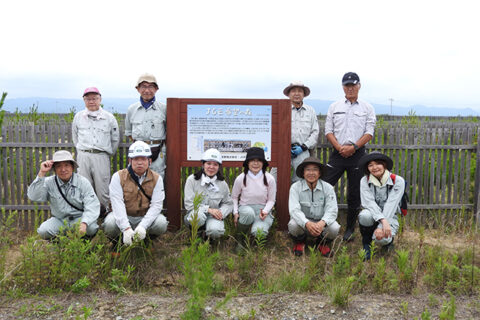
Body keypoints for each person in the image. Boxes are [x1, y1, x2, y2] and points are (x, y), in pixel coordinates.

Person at [323, 72, 376, 242]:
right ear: (343, 87)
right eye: (347, 85)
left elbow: (369, 132)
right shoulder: (334, 106)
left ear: (359, 86)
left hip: (357, 154)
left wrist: (353, 147)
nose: (350, 88)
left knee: (355, 193)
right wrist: (339, 147)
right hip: (338, 153)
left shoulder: (367, 108)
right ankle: (322, 223)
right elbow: (328, 131)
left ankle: (350, 229)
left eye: (353, 85)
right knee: (324, 186)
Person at [103, 141, 168, 249]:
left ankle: (147, 241)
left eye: (143, 159)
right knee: (109, 223)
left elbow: (156, 205)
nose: (139, 163)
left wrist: (143, 226)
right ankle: (117, 244)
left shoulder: (157, 178)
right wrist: (126, 228)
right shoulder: (118, 177)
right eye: (136, 159)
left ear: (149, 161)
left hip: (144, 217)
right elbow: (117, 203)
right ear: (130, 161)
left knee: (161, 223)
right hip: (124, 216)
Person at [27, 150, 100, 240]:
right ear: (54, 169)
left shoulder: (83, 182)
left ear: (72, 167)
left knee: (91, 227)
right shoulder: (49, 182)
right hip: (59, 220)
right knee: (43, 231)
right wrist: (42, 173)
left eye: (66, 165)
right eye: (59, 166)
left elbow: (92, 205)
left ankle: (84, 245)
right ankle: (60, 246)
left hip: (79, 219)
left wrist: (84, 222)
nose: (63, 169)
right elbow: (33, 196)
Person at [72, 87, 119, 216]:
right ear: (84, 100)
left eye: (94, 98)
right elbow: (75, 137)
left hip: (101, 156)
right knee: (83, 187)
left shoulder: (109, 118)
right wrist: (82, 150)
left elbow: (115, 139)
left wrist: (106, 153)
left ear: (100, 99)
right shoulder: (78, 117)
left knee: (102, 189)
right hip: (83, 156)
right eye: (88, 99)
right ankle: (87, 217)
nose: (91, 101)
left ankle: (104, 218)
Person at [288, 157, 341, 257]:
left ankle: (322, 244)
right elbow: (294, 210)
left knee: (334, 228)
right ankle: (300, 242)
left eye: (315, 169)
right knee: (293, 225)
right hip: (304, 224)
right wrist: (306, 223)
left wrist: (322, 223)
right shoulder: (295, 187)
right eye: (308, 169)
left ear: (320, 173)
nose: (311, 173)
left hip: (321, 223)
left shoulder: (328, 188)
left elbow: (332, 209)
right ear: (303, 173)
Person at [357, 152, 405, 260]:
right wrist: (382, 221)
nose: (374, 167)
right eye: (370, 165)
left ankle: (388, 243)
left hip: (390, 215)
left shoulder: (398, 181)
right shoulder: (364, 180)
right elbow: (368, 203)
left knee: (381, 239)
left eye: (378, 163)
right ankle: (366, 243)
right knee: (364, 215)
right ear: (367, 168)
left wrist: (381, 226)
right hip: (373, 214)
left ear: (384, 165)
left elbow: (391, 205)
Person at [271, 81, 319, 183]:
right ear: (289, 94)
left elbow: (315, 132)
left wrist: (303, 147)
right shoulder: (282, 109)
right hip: (283, 150)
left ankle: (296, 199)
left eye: (300, 91)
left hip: (302, 150)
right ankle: (275, 199)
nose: (297, 94)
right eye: (293, 91)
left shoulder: (310, 111)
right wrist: (283, 146)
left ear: (304, 94)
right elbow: (274, 131)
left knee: (300, 180)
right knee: (274, 179)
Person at [232, 147, 276, 251]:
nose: (255, 163)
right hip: (245, 208)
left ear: (263, 163)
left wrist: (265, 211)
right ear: (247, 163)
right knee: (248, 213)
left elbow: (271, 200)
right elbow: (234, 197)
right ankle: (240, 239)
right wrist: (235, 212)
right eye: (252, 160)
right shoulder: (241, 178)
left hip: (262, 211)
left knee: (259, 231)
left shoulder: (270, 178)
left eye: (259, 160)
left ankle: (257, 247)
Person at [184, 148, 233, 242]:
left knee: (215, 230)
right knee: (199, 216)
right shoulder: (192, 180)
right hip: (194, 214)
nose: (211, 167)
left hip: (213, 217)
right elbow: (189, 205)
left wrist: (220, 213)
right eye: (208, 163)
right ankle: (195, 237)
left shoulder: (222, 184)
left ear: (219, 167)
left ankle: (210, 241)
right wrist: (209, 210)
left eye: (215, 164)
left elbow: (228, 203)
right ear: (203, 164)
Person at [125, 73, 167, 178]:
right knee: (135, 181)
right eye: (143, 86)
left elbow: (169, 132)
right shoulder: (132, 109)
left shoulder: (164, 109)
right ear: (138, 89)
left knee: (157, 179)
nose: (147, 90)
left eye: (151, 86)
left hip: (158, 153)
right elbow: (129, 132)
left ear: (156, 89)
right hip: (137, 153)